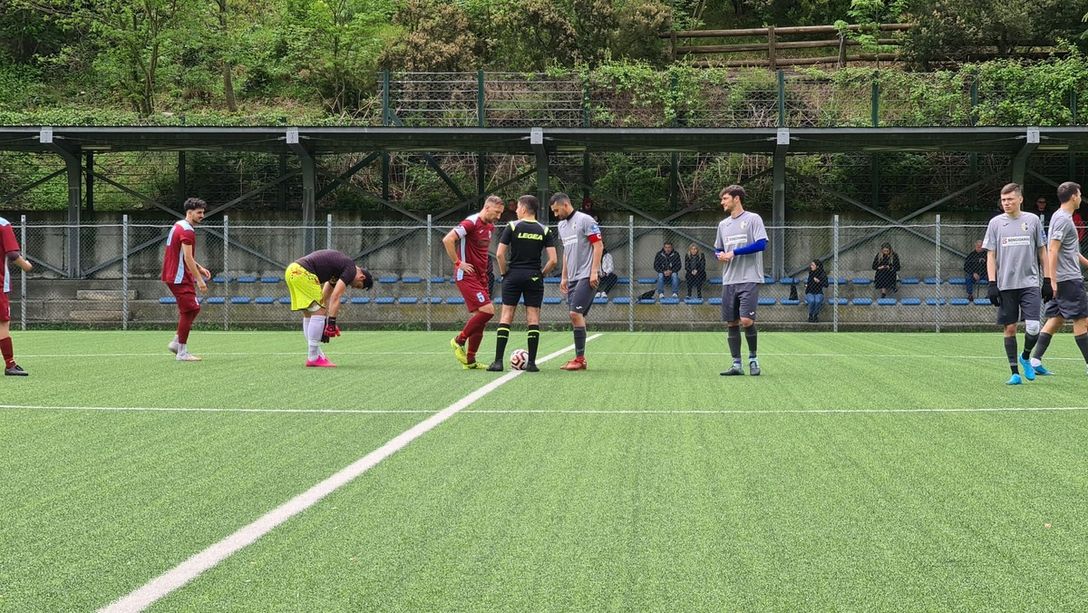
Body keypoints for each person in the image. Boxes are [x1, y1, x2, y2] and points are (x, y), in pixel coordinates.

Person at [983, 182, 1048, 385]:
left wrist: (1047, 279)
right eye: (1003, 200)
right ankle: (1015, 373)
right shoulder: (995, 223)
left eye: (1010, 199)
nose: (1006, 203)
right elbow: (991, 255)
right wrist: (992, 283)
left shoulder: (1033, 220)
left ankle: (1026, 357)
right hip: (1005, 284)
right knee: (1009, 328)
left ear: (1020, 199)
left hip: (1029, 283)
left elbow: (1042, 251)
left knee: (1034, 327)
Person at [487, 195, 558, 372]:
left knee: (506, 316)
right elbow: (554, 260)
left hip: (513, 275)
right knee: (533, 318)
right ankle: (532, 363)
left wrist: (505, 273)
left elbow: (500, 254)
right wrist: (541, 274)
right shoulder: (544, 230)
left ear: (524, 209)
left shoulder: (512, 226)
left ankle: (497, 362)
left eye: (517, 208)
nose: (516, 211)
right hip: (534, 276)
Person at [1030, 182, 1088, 377]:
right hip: (1068, 280)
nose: (1081, 197)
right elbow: (1053, 249)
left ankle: (1035, 360)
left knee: (1056, 319)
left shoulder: (1059, 216)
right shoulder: (1063, 219)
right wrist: (1052, 280)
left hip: (1064, 279)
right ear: (1073, 196)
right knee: (1082, 320)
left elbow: (1069, 250)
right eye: (1079, 194)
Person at [444, 194, 505, 369]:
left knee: (481, 318)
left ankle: (470, 360)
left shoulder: (490, 227)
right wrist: (458, 263)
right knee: (488, 311)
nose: (499, 217)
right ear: (486, 208)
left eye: (501, 213)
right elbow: (448, 239)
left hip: (481, 277)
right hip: (467, 275)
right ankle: (458, 341)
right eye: (496, 212)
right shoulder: (471, 222)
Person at [285, 249, 372, 368]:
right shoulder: (350, 269)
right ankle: (313, 357)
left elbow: (324, 297)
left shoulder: (339, 270)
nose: (352, 286)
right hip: (303, 273)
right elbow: (336, 296)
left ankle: (317, 355)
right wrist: (331, 323)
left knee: (310, 314)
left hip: (292, 271)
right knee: (319, 312)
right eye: (357, 285)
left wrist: (324, 322)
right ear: (361, 277)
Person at [715, 184, 768, 376]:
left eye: (725, 199)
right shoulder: (723, 224)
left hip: (749, 277)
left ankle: (753, 359)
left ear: (736, 198)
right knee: (731, 322)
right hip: (729, 280)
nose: (722, 202)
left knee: (746, 320)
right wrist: (719, 255)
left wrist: (734, 253)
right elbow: (719, 249)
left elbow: (762, 244)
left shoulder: (753, 219)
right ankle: (736, 364)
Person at [551, 192, 604, 371]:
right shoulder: (561, 225)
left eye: (557, 210)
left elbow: (598, 245)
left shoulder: (585, 220)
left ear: (565, 205)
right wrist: (564, 276)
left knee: (574, 314)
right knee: (576, 317)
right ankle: (580, 358)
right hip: (572, 277)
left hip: (587, 275)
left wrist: (594, 271)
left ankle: (580, 359)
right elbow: (566, 252)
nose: (556, 214)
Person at [162, 198, 212, 362]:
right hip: (178, 276)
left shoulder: (179, 225)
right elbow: (188, 258)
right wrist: (200, 280)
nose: (202, 215)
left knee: (193, 309)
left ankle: (177, 342)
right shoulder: (187, 231)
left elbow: (183, 254)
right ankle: (181, 352)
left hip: (174, 275)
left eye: (203, 212)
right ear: (189, 213)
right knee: (189, 310)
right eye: (199, 212)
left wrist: (199, 268)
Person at [0, 216, 33, 376]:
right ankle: (10, 364)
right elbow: (12, 254)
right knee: (2, 323)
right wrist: (26, 265)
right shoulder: (3, 224)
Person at [804, 258, 828, 323]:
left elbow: (826, 285)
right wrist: (807, 285)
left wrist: (819, 281)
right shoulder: (811, 272)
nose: (811, 266)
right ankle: (810, 315)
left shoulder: (822, 274)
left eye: (813, 265)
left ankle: (815, 315)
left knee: (817, 301)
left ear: (817, 266)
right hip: (810, 292)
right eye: (811, 265)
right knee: (812, 301)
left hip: (819, 292)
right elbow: (809, 283)